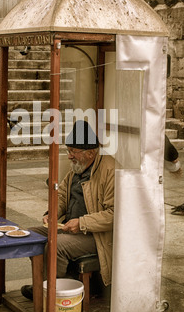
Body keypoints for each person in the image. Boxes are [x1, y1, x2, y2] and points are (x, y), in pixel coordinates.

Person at [21, 120, 116, 300]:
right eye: (68, 150)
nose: (69, 156)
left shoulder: (109, 170)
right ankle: (44, 284)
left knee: (56, 245)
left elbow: (114, 215)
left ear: (90, 153)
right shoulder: (77, 168)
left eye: (73, 152)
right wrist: (52, 213)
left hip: (96, 235)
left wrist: (82, 223)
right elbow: (62, 196)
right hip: (69, 227)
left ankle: (53, 294)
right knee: (30, 235)